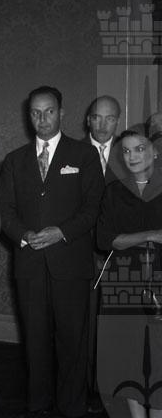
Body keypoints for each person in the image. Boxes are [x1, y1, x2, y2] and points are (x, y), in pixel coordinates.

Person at [0, 86, 105, 417]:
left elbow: (93, 207)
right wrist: (24, 235)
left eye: (49, 111)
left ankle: (72, 406)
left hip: (70, 264)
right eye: (35, 113)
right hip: (29, 265)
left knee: (72, 341)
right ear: (28, 116)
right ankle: (38, 404)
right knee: (35, 341)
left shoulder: (84, 155)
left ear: (61, 113)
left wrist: (61, 232)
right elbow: (4, 211)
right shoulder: (14, 160)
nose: (42, 119)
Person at [96, 126, 162, 418]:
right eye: (126, 151)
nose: (132, 156)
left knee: (159, 359)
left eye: (140, 148)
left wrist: (128, 239)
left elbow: (119, 239)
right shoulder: (114, 191)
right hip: (123, 280)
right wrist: (151, 234)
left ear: (155, 152)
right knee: (127, 357)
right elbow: (104, 239)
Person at [83, 95, 123, 413]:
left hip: (118, 253)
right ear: (88, 120)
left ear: (117, 122)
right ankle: (85, 388)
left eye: (110, 118)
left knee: (114, 326)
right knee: (82, 325)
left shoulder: (130, 154)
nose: (102, 124)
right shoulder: (70, 152)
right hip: (78, 253)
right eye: (97, 117)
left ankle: (111, 388)